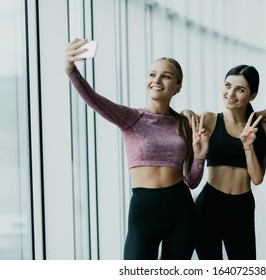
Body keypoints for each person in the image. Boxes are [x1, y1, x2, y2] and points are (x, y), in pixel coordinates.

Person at [64, 38, 209, 260]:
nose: (157, 80)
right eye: (152, 74)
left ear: (177, 87)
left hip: (181, 210)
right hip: (144, 210)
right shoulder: (132, 118)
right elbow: (94, 100)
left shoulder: (184, 124)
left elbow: (191, 182)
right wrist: (71, 70)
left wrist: (200, 155)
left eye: (166, 76)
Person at [183, 65, 266, 260]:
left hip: (242, 208)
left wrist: (248, 145)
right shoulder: (209, 120)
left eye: (240, 89)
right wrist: (186, 112)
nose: (230, 93)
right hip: (209, 206)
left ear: (252, 95)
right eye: (228, 86)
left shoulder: (259, 128)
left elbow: (257, 178)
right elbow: (181, 118)